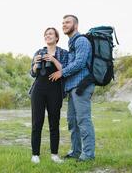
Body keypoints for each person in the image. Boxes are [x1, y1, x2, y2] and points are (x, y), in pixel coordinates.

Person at [49, 15, 96, 162]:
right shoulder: (72, 43)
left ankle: (88, 154)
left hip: (82, 86)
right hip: (72, 87)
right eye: (63, 23)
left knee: (83, 120)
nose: (64, 25)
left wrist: (61, 72)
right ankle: (76, 151)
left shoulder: (81, 40)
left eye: (67, 22)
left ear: (75, 25)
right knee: (72, 121)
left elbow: (80, 63)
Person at [29, 27, 68, 164]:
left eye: (50, 34)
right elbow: (33, 73)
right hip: (38, 90)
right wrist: (35, 64)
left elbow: (66, 70)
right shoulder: (38, 52)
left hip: (55, 90)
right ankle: (35, 155)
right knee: (37, 122)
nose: (48, 36)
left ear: (57, 37)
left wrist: (52, 59)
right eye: (46, 34)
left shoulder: (62, 53)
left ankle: (54, 155)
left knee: (54, 123)